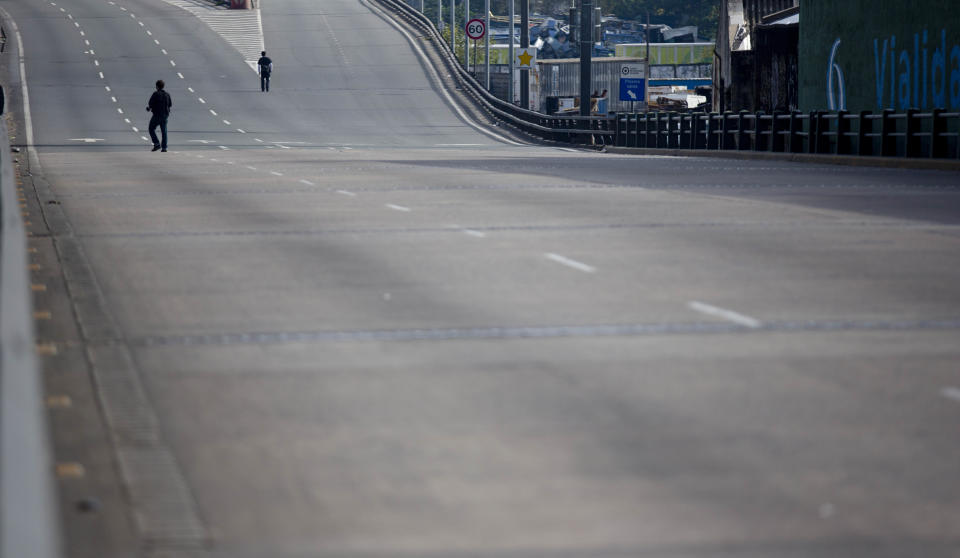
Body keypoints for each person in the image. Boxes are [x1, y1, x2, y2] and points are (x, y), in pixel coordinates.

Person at [146, 79, 172, 152]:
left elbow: (150, 103)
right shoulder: (167, 94)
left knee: (151, 128)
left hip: (157, 115)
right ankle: (164, 147)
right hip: (165, 115)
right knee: (164, 131)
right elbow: (170, 104)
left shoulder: (155, 94)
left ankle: (157, 143)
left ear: (157, 86)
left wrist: (149, 108)